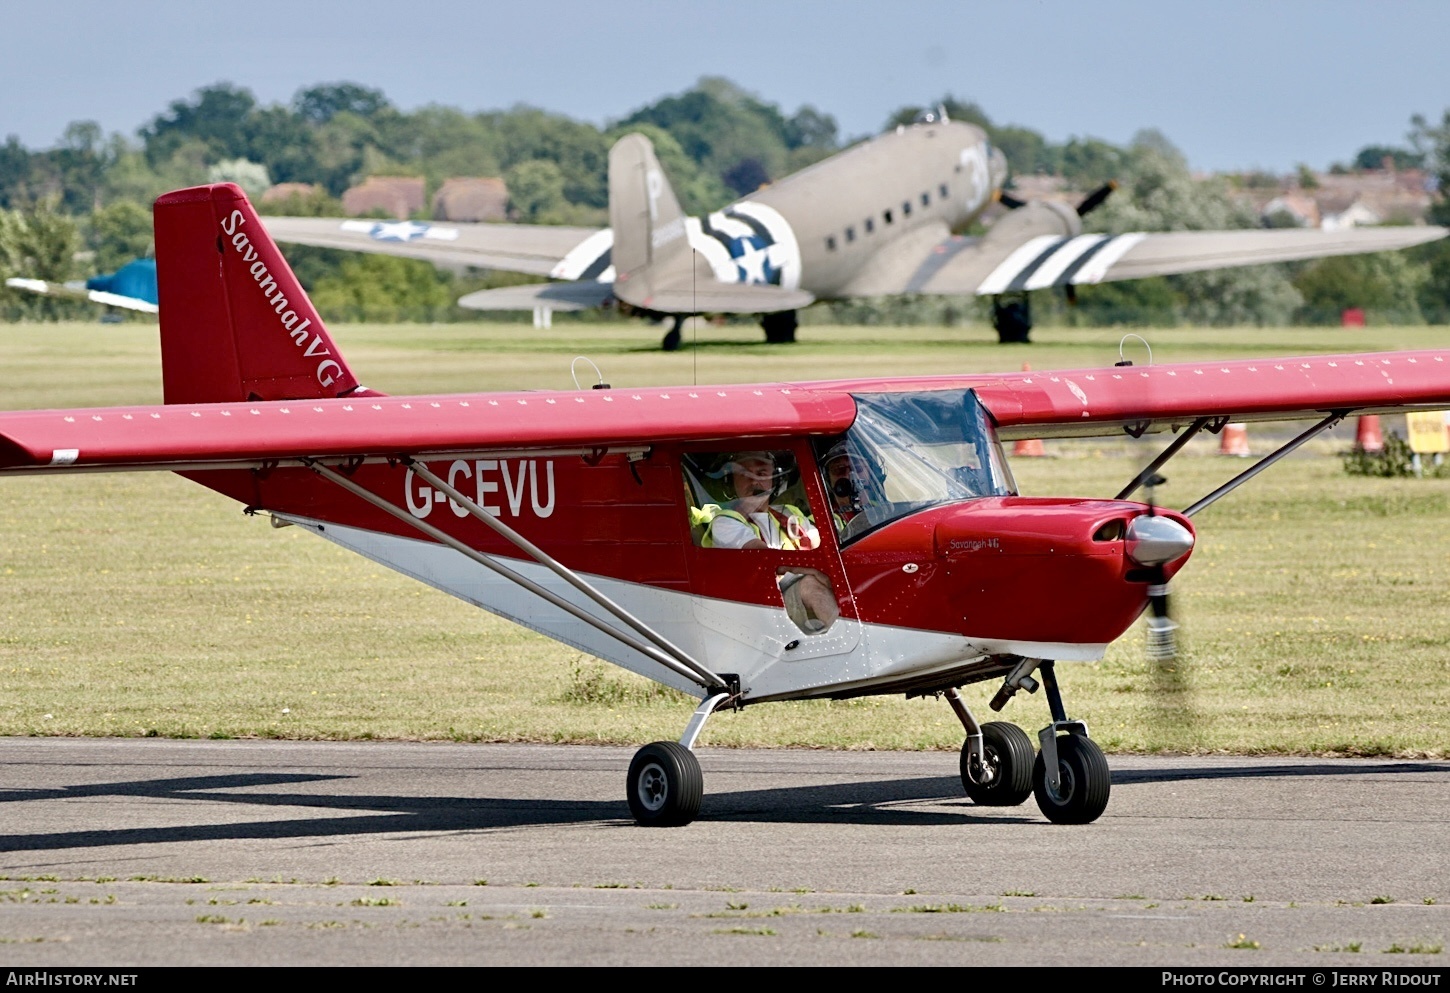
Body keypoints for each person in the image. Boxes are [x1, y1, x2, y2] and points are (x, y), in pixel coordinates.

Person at [696, 451, 840, 632]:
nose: (754, 481)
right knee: (810, 585)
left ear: (775, 480)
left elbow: (822, 547)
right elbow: (765, 558)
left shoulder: (789, 513)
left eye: (762, 473)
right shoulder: (724, 522)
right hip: (759, 607)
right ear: (731, 482)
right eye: (744, 474)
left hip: (791, 598)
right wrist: (815, 572)